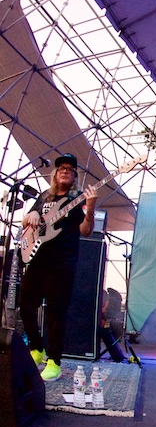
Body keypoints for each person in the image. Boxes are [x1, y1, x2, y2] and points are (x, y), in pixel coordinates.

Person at [19, 153, 98, 381]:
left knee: (56, 313)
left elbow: (85, 231)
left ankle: (54, 361)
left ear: (74, 176)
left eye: (70, 169)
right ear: (55, 173)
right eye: (61, 167)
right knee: (25, 305)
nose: (65, 171)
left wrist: (90, 208)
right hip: (37, 260)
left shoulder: (78, 199)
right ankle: (36, 348)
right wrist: (31, 214)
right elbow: (26, 220)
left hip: (62, 263)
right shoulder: (44, 197)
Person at [98, 287, 127, 362]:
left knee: (107, 334)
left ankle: (116, 355)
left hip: (104, 317)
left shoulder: (106, 297)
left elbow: (104, 307)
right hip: (103, 317)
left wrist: (103, 310)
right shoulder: (105, 295)